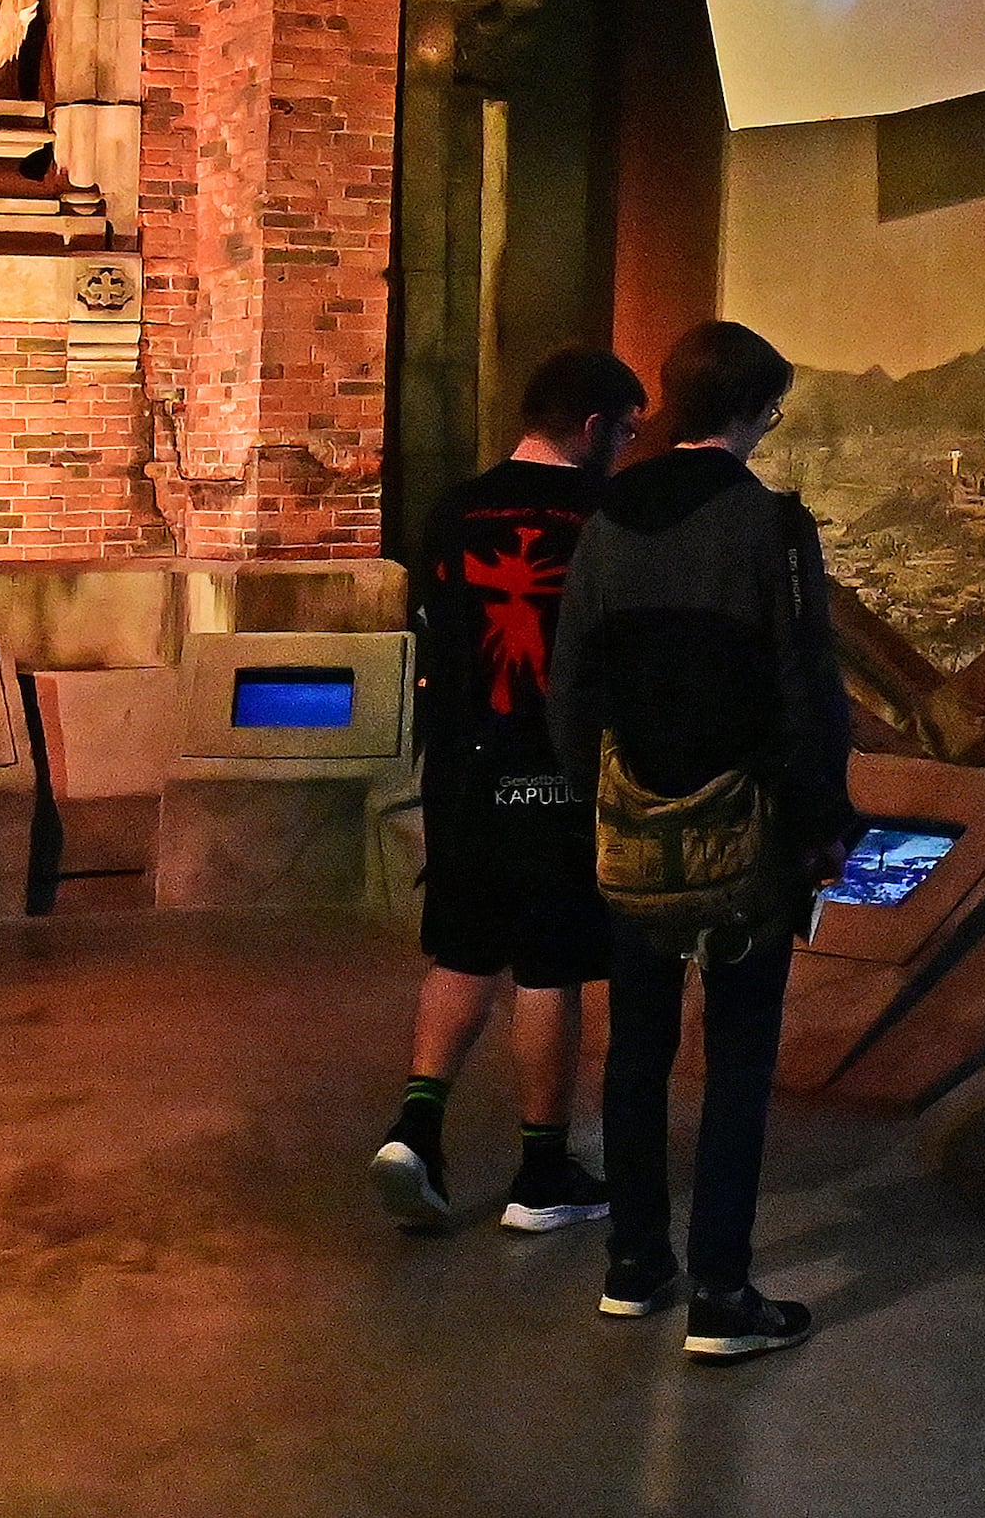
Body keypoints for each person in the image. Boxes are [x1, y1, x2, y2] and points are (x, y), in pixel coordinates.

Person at [549, 318, 850, 1361]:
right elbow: (806, 688)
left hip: (632, 829)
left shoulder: (608, 517)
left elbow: (572, 682)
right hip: (744, 838)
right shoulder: (769, 526)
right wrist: (819, 826)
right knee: (734, 1058)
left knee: (634, 1048)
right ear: (753, 408)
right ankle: (722, 1293)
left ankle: (635, 1265)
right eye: (771, 406)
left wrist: (594, 797)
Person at [373, 346, 640, 1236]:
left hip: (461, 768)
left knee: (462, 949)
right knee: (550, 968)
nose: (629, 449)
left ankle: (417, 1125)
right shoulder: (608, 514)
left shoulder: (454, 508)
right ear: (596, 428)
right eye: (628, 432)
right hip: (556, 772)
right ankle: (541, 1170)